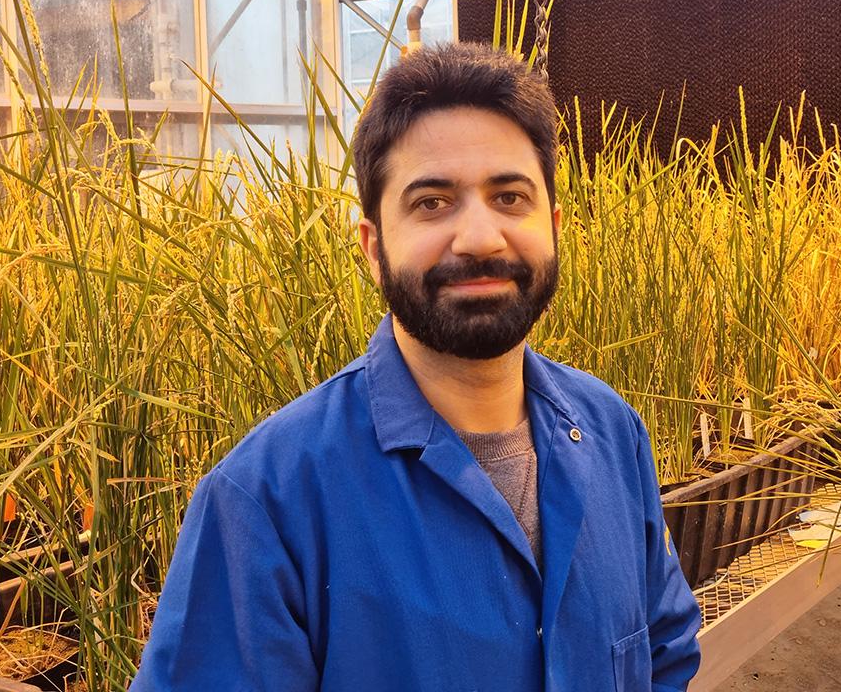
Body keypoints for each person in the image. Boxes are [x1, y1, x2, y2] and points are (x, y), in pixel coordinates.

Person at [130, 42, 701, 692]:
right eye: (432, 202)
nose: (481, 237)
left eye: (510, 197)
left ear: (555, 226)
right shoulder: (266, 502)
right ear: (373, 248)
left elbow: (666, 654)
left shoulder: (612, 434)